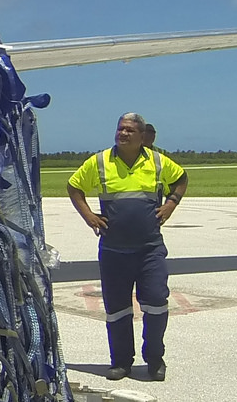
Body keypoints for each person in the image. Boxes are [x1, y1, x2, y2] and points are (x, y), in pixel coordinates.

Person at [67, 113, 187, 381]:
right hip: (114, 251)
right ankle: (121, 362)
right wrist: (88, 216)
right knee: (117, 309)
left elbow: (181, 178)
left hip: (149, 250)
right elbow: (74, 186)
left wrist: (171, 203)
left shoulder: (156, 161)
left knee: (156, 302)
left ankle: (154, 359)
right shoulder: (100, 162)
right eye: (120, 128)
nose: (123, 133)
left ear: (142, 136)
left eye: (130, 130)